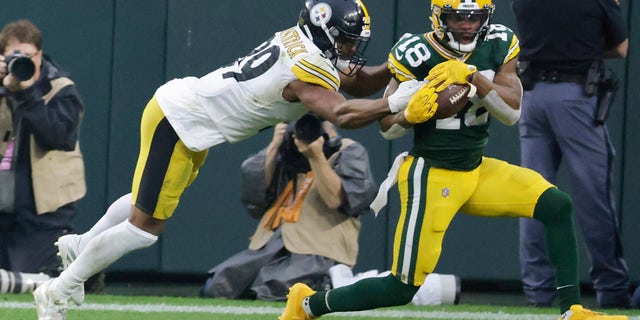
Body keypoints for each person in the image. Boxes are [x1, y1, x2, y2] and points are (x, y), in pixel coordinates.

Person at [31, 1, 402, 319]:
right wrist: (400, 102)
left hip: (190, 121)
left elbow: (356, 84)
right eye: (346, 40)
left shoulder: (306, 44)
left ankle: (81, 246)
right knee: (144, 229)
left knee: (145, 205)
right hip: (179, 122)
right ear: (323, 32)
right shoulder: (306, 69)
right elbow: (344, 114)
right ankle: (59, 289)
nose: (352, 48)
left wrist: (396, 67)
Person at [279, 0, 629, 319]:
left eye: (474, 16)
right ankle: (307, 305)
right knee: (403, 286)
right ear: (439, 17)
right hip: (431, 173)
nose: (466, 25)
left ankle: (573, 311)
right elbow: (387, 128)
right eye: (458, 16)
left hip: (475, 168)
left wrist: (474, 78)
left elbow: (511, 113)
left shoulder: (500, 42)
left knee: (557, 204)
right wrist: (409, 113)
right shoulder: (415, 52)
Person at [512, 0, 631, 309]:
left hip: (532, 97)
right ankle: (613, 290)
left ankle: (538, 293)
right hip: (575, 97)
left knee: (535, 196)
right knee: (594, 195)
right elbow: (621, 48)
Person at [201, 116, 377, 301]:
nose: (310, 132)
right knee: (217, 287)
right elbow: (254, 200)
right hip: (271, 247)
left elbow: (337, 200)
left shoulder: (349, 151)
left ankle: (334, 282)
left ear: (330, 122)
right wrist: (275, 146)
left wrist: (316, 156)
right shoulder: (289, 151)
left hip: (319, 250)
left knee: (276, 290)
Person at [0, 20, 86, 279]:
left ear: (40, 56)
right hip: (3, 206)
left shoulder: (61, 89)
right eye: (13, 56)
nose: (21, 62)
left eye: (27, 56)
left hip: (44, 212)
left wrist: (26, 94)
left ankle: (83, 271)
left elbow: (58, 137)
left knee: (31, 282)